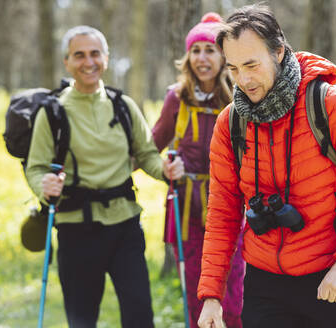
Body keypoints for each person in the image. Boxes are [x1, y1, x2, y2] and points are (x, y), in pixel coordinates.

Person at [197, 4, 336, 328]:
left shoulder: (333, 106)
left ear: (278, 52)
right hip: (264, 284)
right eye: (233, 69)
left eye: (252, 65)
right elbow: (223, 211)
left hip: (329, 279)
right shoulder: (231, 123)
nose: (244, 80)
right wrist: (211, 295)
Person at [25, 25, 184, 328]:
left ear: (107, 58)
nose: (89, 62)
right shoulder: (53, 112)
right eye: (79, 55)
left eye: (95, 53)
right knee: (82, 320)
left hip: (125, 226)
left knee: (140, 316)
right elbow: (36, 168)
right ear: (67, 62)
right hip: (76, 230)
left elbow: (147, 154)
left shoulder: (123, 106)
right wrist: (42, 185)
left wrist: (164, 170)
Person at [152, 13, 245, 328]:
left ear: (223, 56)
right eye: (196, 50)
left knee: (234, 297)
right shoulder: (176, 98)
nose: (202, 58)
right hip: (188, 210)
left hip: (232, 208)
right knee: (195, 293)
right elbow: (151, 146)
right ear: (187, 57)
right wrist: (165, 167)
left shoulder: (240, 96)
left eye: (210, 50)